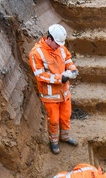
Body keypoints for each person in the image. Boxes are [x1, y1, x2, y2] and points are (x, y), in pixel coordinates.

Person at [29, 24, 79, 154]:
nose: (58, 46)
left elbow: (68, 60)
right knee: (54, 120)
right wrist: (59, 78)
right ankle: (54, 141)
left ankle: (65, 136)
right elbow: (40, 75)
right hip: (50, 96)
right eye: (56, 43)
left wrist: (72, 69)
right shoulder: (37, 53)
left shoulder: (60, 48)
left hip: (64, 93)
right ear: (49, 39)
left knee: (66, 116)